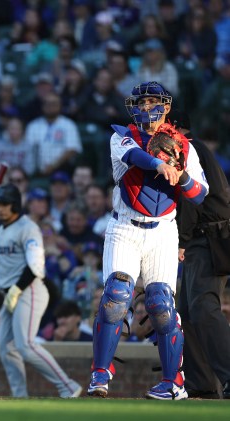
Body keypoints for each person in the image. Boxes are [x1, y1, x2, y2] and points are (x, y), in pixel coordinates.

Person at [87, 81, 208, 400]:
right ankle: (100, 374)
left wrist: (180, 174)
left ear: (166, 107)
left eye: (153, 102)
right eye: (141, 102)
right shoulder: (121, 136)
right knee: (116, 296)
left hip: (164, 231)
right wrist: (161, 164)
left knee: (161, 304)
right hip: (124, 227)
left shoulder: (184, 146)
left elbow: (200, 194)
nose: (146, 108)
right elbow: (134, 156)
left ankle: (174, 383)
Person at [0, 184, 82, 398]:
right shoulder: (1, 229)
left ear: (15, 205)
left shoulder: (28, 227)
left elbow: (35, 265)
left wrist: (16, 290)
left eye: (5, 204)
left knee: (25, 345)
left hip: (30, 290)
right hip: (10, 292)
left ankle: (68, 385)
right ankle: (20, 396)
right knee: (6, 349)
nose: (0, 208)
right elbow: (4, 261)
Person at [175, 114, 230, 399]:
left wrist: (181, 240)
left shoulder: (186, 146)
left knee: (204, 308)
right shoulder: (191, 146)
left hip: (208, 236)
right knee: (187, 312)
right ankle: (204, 383)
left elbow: (192, 198)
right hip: (207, 235)